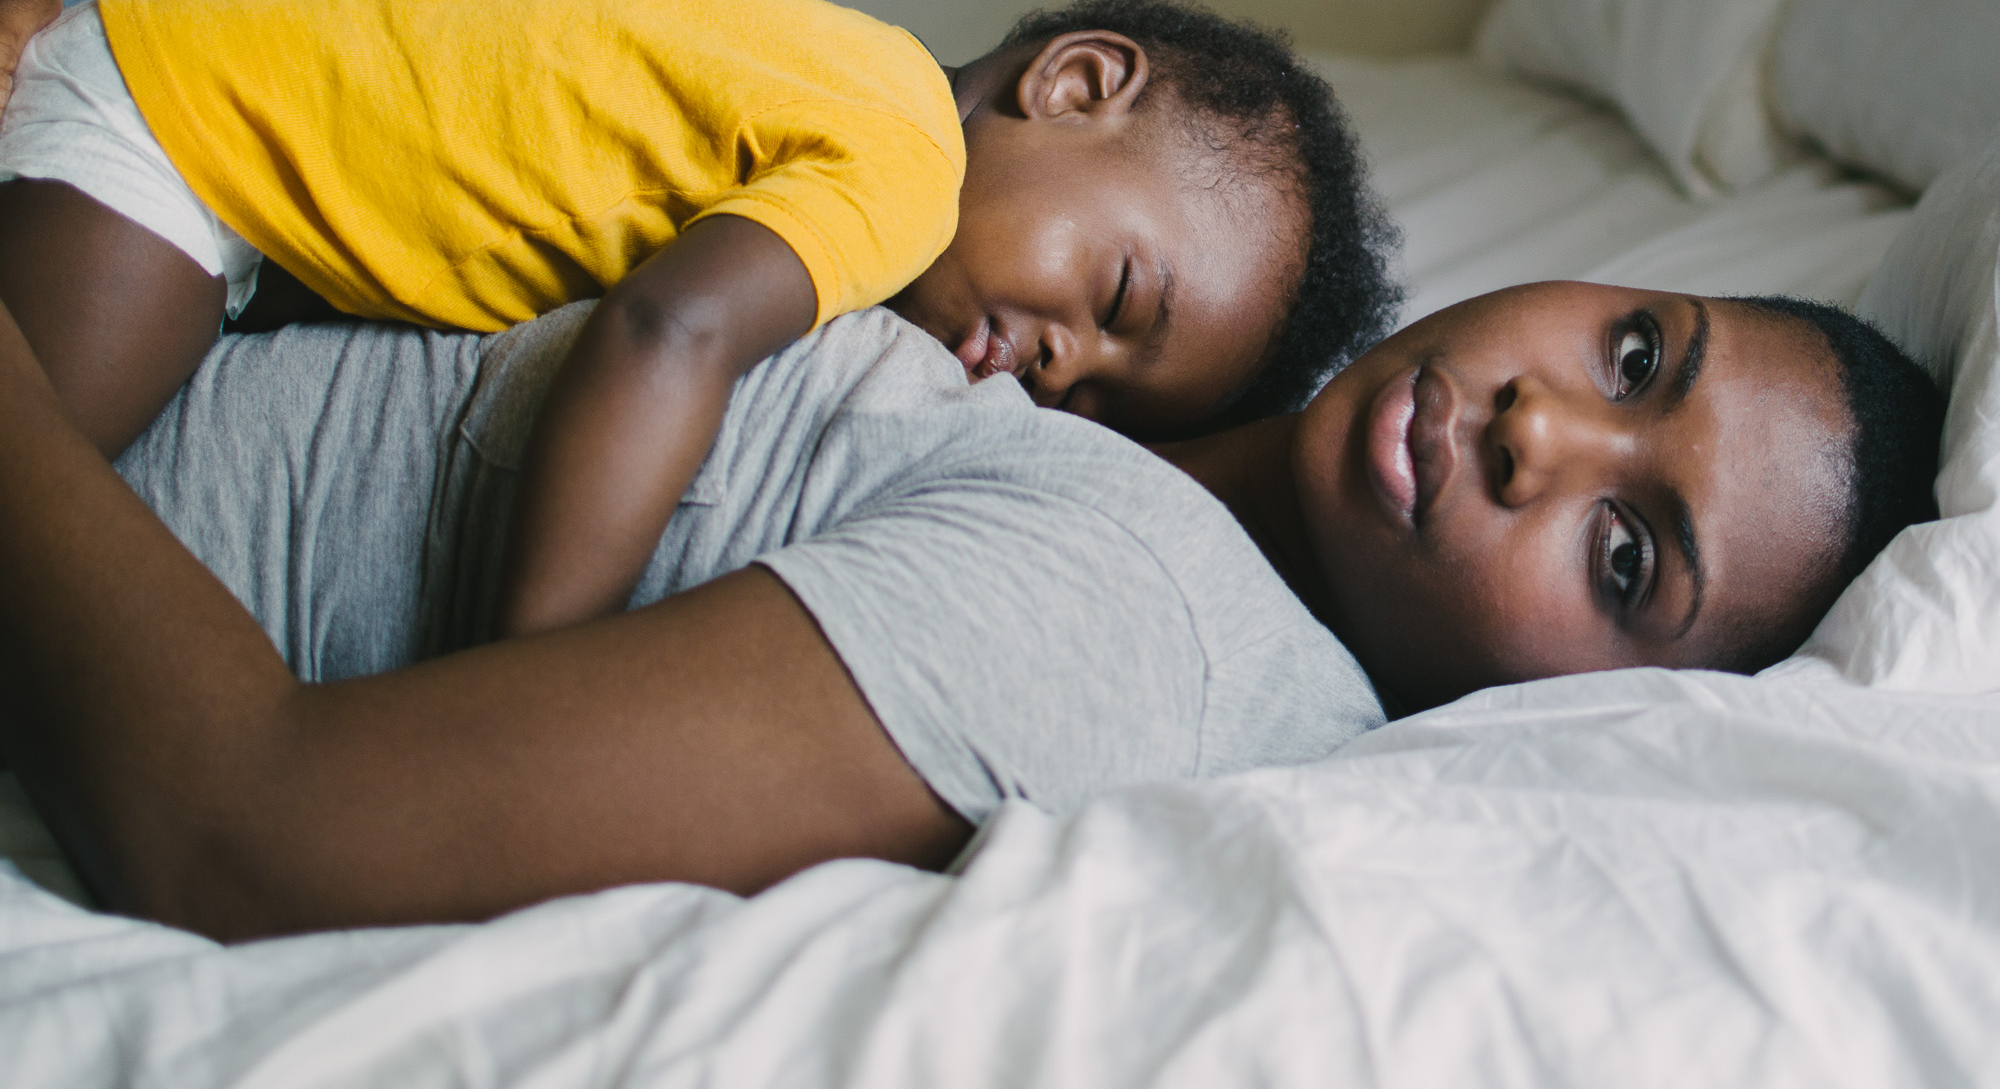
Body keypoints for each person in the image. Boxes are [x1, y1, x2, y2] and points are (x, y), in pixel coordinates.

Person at [0, 273, 1943, 941]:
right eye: (1632, 349)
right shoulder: (1147, 371)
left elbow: (245, 825)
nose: (1542, 424)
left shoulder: (1144, 620)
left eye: (1627, 552)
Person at [0, 0, 1397, 638]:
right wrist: (535, 659)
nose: (1048, 365)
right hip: (166, 147)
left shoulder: (849, 88)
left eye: (1094, 390)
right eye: (1111, 296)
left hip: (194, 135)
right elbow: (672, 334)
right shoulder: (902, 167)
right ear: (1076, 85)